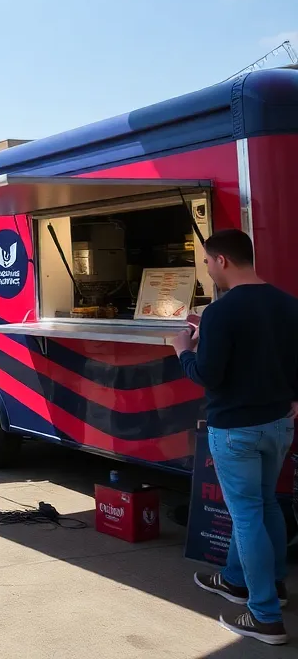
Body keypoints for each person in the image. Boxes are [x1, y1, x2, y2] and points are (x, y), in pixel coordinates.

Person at [176, 230, 298, 646]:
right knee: (267, 506)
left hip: (235, 431)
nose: (208, 269)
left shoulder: (221, 311)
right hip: (279, 425)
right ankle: (250, 583)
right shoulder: (287, 303)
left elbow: (207, 375)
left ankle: (264, 617)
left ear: (223, 260)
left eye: (208, 262)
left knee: (247, 516)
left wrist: (183, 351)